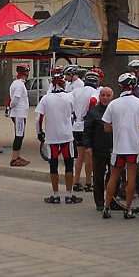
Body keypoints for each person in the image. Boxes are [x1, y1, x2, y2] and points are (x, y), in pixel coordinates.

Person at [102, 73, 139, 219]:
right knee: (131, 177)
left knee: (113, 177)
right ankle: (128, 209)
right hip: (133, 147)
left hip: (118, 147)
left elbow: (106, 127)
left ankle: (106, 208)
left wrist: (118, 126)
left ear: (120, 87)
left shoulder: (114, 104)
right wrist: (137, 127)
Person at [35, 68, 82, 204]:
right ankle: (69, 194)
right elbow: (74, 113)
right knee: (68, 164)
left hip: (52, 136)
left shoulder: (46, 98)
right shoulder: (69, 97)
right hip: (67, 136)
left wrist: (39, 133)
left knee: (53, 165)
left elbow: (38, 118)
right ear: (63, 83)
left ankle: (55, 195)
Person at [82, 85, 114, 211]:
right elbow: (87, 131)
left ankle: (113, 200)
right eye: (103, 95)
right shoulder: (93, 112)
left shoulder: (115, 110)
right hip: (98, 149)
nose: (105, 98)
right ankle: (99, 202)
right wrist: (88, 146)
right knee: (98, 177)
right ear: (99, 96)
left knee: (114, 177)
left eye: (108, 95)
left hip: (114, 149)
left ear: (112, 97)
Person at [70, 69, 100, 192]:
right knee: (89, 156)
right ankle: (88, 182)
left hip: (76, 125)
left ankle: (76, 181)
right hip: (87, 126)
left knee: (79, 156)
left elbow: (70, 104)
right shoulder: (95, 92)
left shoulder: (76, 91)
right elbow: (93, 101)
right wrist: (90, 112)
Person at [6, 65, 31, 167]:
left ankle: (17, 156)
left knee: (20, 135)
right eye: (27, 72)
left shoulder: (17, 83)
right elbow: (15, 99)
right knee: (19, 136)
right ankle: (14, 158)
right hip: (19, 114)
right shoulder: (19, 85)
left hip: (20, 113)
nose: (28, 73)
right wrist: (11, 106)